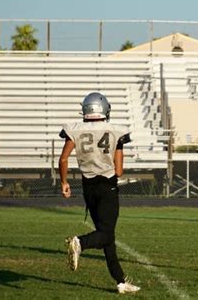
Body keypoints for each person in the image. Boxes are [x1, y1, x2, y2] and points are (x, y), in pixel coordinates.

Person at [58, 92, 140, 294]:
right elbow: (119, 170)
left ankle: (120, 281)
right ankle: (80, 243)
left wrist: (64, 182)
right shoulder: (115, 131)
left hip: (88, 187)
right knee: (106, 233)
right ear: (103, 109)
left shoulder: (75, 130)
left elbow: (63, 159)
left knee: (107, 237)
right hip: (107, 186)